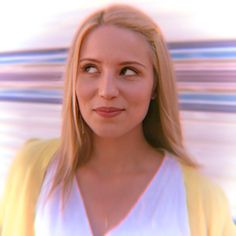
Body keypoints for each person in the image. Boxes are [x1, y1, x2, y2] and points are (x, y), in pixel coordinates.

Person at [0, 4, 235, 236]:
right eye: (90, 68)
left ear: (155, 85)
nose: (107, 90)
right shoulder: (31, 168)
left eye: (128, 71)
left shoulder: (202, 198)